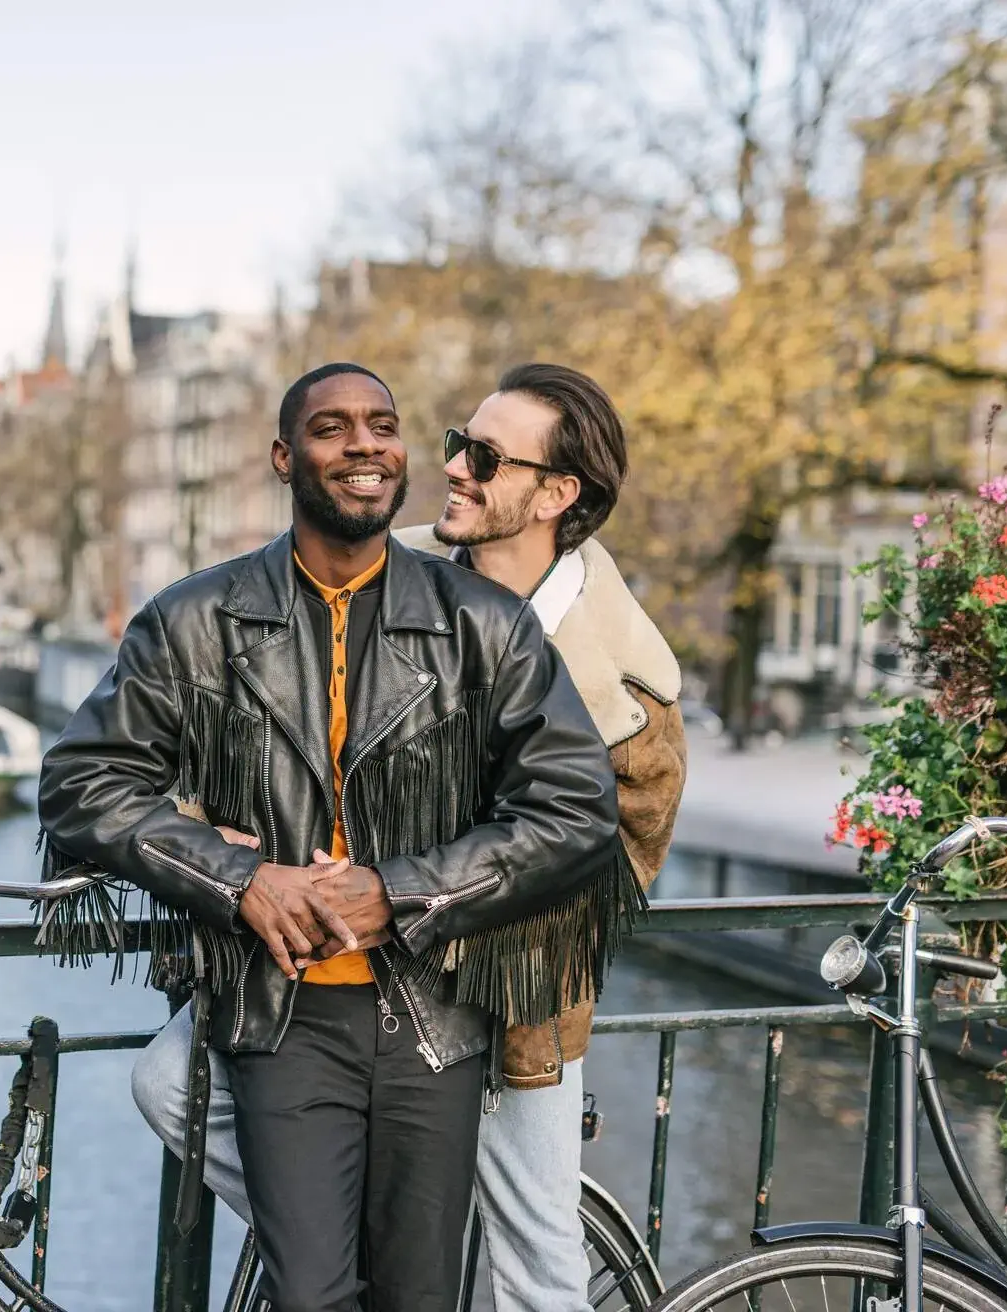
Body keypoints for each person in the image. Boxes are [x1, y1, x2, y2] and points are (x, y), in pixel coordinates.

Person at [38, 362, 633, 1311]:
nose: (365, 444)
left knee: (417, 1295)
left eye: (385, 425)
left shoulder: (485, 625)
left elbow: (576, 812)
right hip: (281, 1012)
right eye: (332, 428)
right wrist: (239, 879)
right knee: (311, 1295)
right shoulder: (191, 620)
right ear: (284, 457)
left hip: (433, 1013)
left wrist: (396, 892)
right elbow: (80, 784)